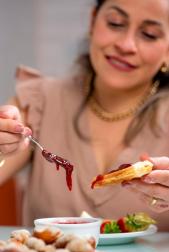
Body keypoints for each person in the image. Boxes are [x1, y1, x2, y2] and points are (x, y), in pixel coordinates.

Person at [0, 0, 169, 230]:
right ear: (92, 22)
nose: (126, 45)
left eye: (149, 35)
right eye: (115, 23)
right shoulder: (40, 100)